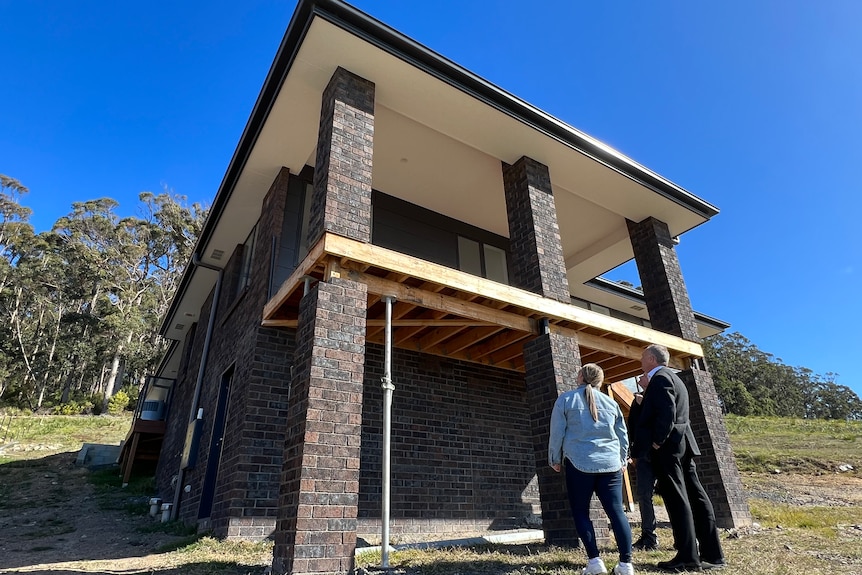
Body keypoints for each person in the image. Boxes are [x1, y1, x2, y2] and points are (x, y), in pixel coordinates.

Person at [631, 344, 726, 572]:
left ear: (652, 359)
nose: (641, 360)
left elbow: (667, 412)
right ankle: (713, 554)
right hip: (683, 444)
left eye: (643, 357)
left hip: (668, 448)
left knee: (677, 499)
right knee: (695, 495)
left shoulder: (660, 378)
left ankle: (687, 557)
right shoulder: (674, 378)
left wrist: (657, 441)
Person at [549, 363, 635, 575]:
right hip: (611, 464)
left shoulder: (565, 400)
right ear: (599, 380)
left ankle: (595, 562)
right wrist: (623, 459)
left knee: (581, 512)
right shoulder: (611, 403)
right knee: (617, 513)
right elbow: (623, 436)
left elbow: (557, 432)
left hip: (578, 462)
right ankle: (626, 564)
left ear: (580, 377)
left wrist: (555, 457)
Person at [627, 374, 659, 551]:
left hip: (662, 454)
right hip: (643, 456)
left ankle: (684, 536)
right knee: (644, 495)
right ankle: (649, 537)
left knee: (672, 495)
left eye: (643, 376)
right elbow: (633, 427)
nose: (639, 379)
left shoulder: (659, 395)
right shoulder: (635, 402)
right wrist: (634, 453)